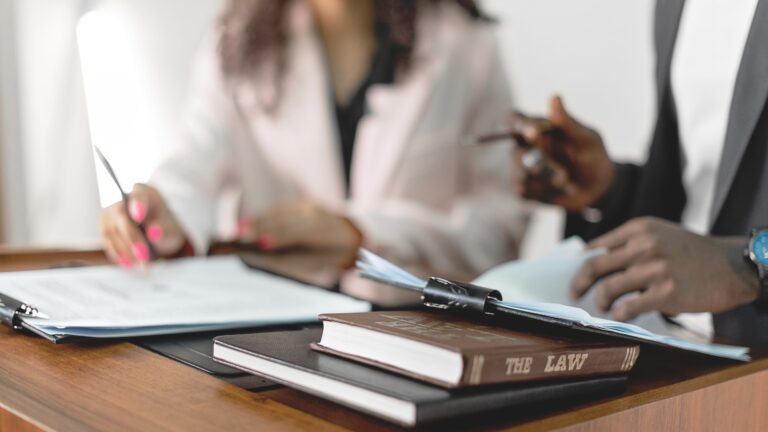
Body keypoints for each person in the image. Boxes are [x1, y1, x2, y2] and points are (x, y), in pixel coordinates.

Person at [100, 0, 527, 274]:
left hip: (417, 332)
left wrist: (363, 235)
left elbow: (500, 229)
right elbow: (195, 161)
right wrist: (167, 213)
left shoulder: (467, 45)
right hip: (270, 332)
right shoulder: (234, 41)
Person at [513, 0, 768, 344]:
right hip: (682, 346)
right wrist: (612, 191)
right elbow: (701, 201)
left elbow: (724, 253)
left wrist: (749, 266)